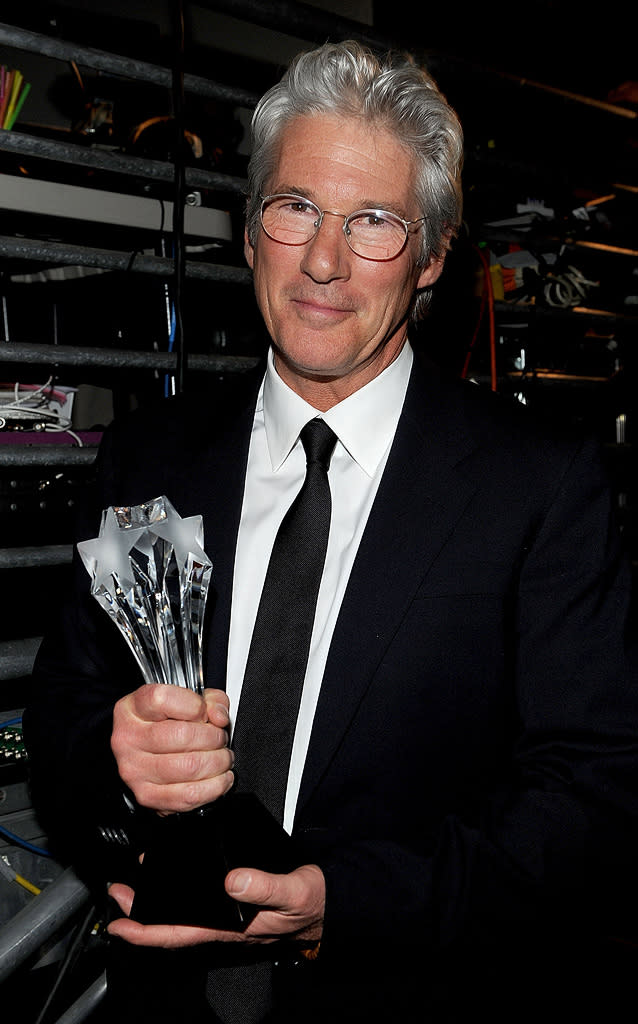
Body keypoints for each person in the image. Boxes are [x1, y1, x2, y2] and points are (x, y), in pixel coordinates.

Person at [23, 39, 638, 1024]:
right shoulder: (149, 458)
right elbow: (65, 708)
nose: (322, 260)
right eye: (296, 207)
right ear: (249, 223)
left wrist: (335, 904)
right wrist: (114, 761)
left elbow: (590, 800)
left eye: (374, 223)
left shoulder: (538, 488)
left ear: (434, 255)